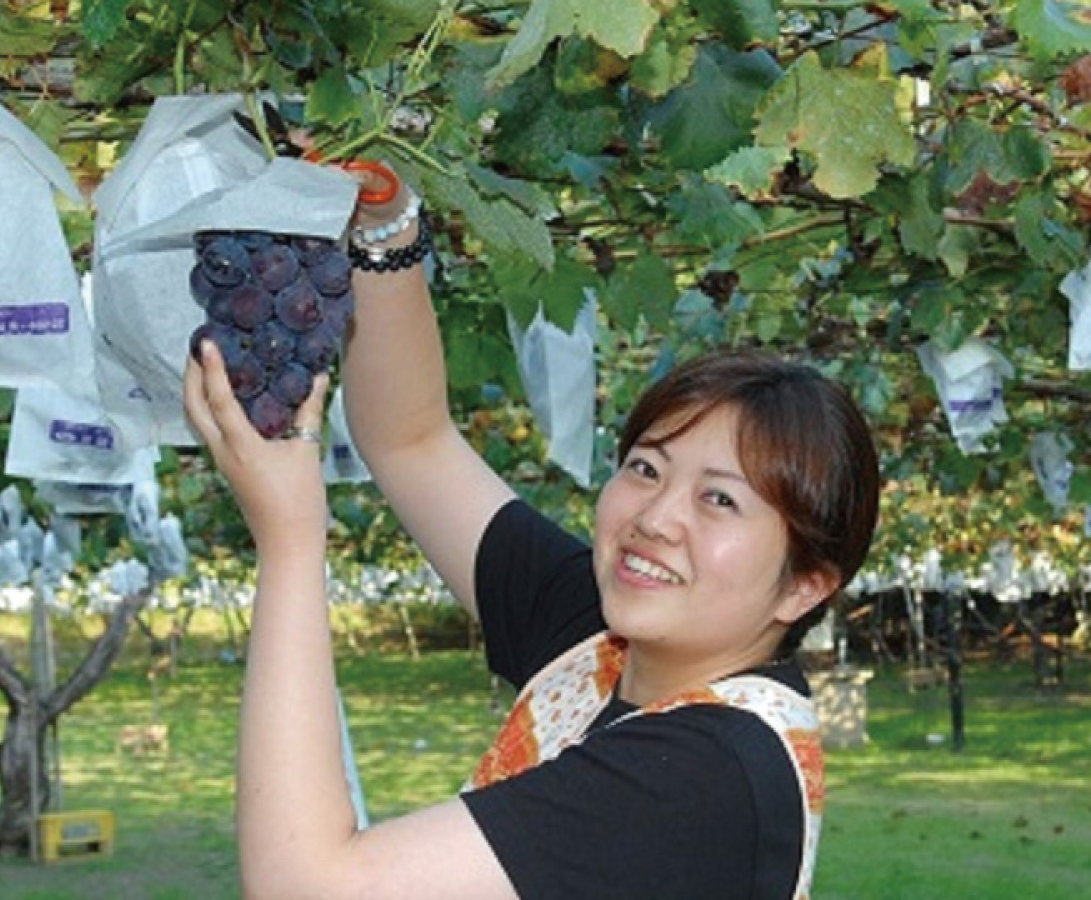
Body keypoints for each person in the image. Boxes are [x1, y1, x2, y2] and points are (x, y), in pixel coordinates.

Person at [182, 172, 881, 900]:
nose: (656, 518)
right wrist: (385, 228)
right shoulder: (601, 642)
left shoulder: (707, 774)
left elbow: (306, 887)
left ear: (805, 584)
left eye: (718, 500)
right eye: (646, 467)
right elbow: (410, 441)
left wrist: (291, 545)